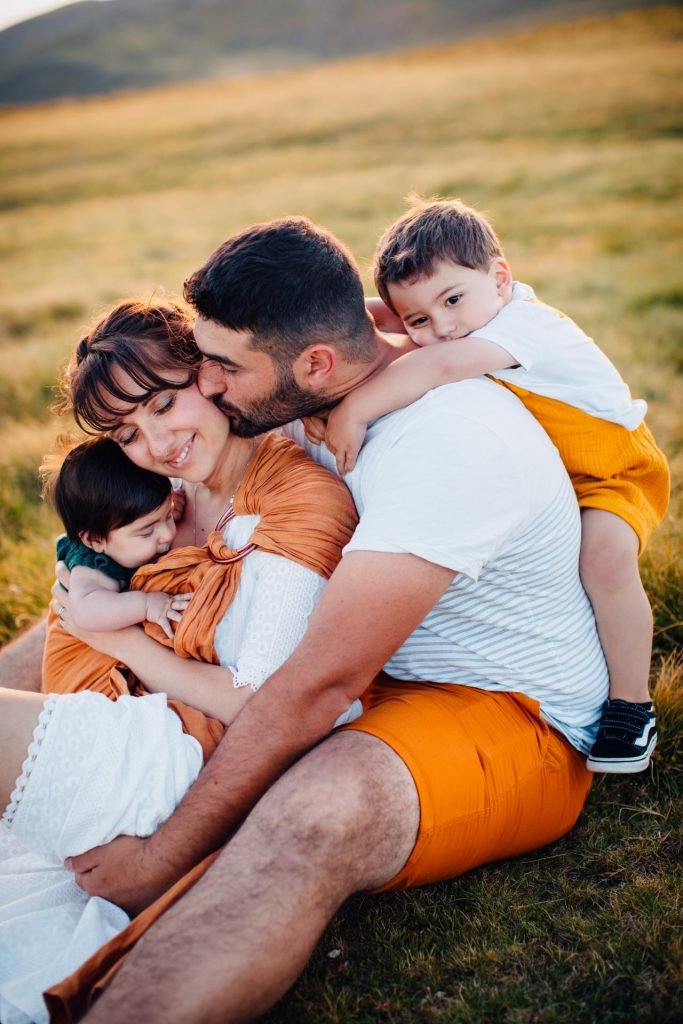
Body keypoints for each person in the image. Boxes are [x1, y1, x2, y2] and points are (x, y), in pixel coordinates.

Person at [37, 215, 609, 1024]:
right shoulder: (308, 397)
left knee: (313, 810)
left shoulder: (446, 446)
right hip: (375, 673)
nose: (206, 387)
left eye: (220, 369)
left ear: (311, 364)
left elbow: (316, 685)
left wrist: (159, 857)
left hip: (510, 715)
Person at [0, 298, 360, 1024]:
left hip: (180, 758)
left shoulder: (298, 499)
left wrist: (116, 639)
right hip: (118, 718)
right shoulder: (164, 494)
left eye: (165, 404)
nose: (158, 442)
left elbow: (254, 702)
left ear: (210, 375)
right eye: (128, 432)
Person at [310, 198, 669, 774]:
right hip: (557, 466)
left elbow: (438, 366)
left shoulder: (526, 326)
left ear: (499, 278)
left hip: (610, 468)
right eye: (420, 320)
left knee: (602, 559)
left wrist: (353, 410)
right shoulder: (467, 317)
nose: (443, 326)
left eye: (453, 301)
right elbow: (392, 322)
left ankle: (632, 704)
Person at [45, 436, 190, 640]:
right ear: (94, 540)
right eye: (147, 531)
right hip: (77, 664)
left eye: (168, 515)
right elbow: (86, 613)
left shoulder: (126, 525)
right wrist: (146, 604)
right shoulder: (91, 569)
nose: (167, 534)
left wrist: (168, 507)